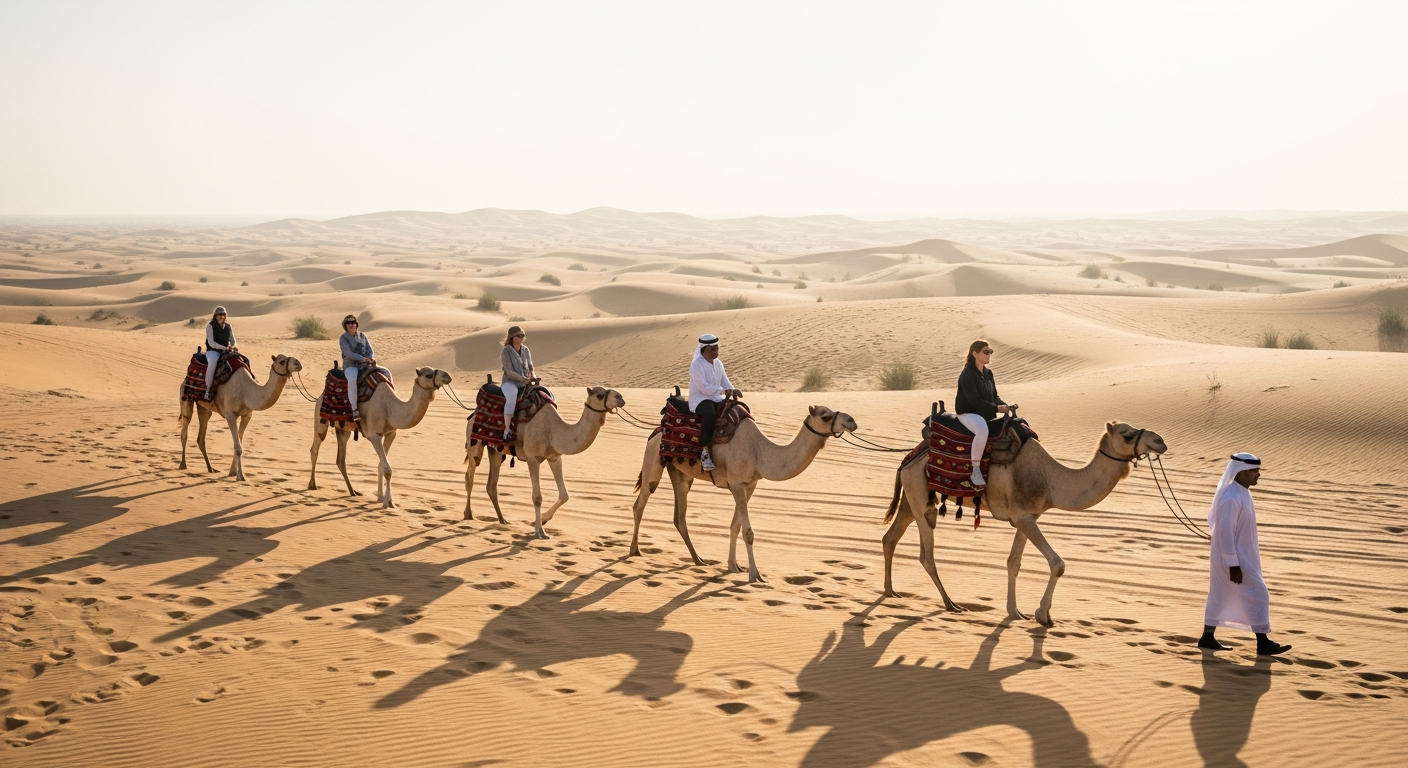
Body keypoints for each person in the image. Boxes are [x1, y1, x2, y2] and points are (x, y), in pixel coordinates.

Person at [1199, 453, 1292, 656]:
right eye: (1254, 471)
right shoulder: (1231, 498)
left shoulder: (1241, 492)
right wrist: (1233, 564)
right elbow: (1225, 532)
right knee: (1259, 594)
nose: (1258, 475)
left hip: (1240, 555)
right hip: (1233, 558)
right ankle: (1263, 642)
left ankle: (1207, 637)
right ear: (1242, 472)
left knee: (1220, 594)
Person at [955, 340, 1015, 487]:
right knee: (982, 430)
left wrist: (1005, 406)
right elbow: (974, 401)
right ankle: (975, 470)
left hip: (985, 413)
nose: (989, 355)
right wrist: (996, 409)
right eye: (986, 352)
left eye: (990, 352)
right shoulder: (967, 374)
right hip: (969, 413)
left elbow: (994, 397)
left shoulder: (988, 373)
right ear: (975, 354)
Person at [689, 333, 741, 471]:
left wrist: (733, 390)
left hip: (717, 398)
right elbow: (704, 388)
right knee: (710, 414)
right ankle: (705, 452)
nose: (716, 351)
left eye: (717, 348)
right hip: (700, 399)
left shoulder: (718, 364)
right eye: (713, 349)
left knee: (736, 410)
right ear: (704, 349)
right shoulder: (696, 366)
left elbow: (725, 381)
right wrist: (723, 391)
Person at [339, 315, 392, 420]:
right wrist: (363, 359)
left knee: (386, 372)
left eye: (353, 322)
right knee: (352, 379)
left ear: (356, 324)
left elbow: (370, 350)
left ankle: (391, 399)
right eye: (348, 323)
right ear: (346, 326)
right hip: (351, 366)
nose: (351, 325)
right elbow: (348, 353)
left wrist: (371, 359)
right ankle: (354, 409)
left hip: (365, 365)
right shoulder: (343, 338)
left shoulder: (362, 336)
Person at [500, 325, 538, 441]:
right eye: (519, 336)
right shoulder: (506, 351)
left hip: (525, 383)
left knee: (541, 395)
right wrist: (523, 379)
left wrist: (533, 378)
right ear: (512, 337)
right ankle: (507, 430)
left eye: (523, 336)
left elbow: (531, 368)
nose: (522, 338)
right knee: (511, 398)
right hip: (510, 383)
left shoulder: (526, 350)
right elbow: (509, 372)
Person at [203, 306, 237, 401]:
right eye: (219, 314)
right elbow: (211, 343)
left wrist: (233, 347)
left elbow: (233, 341)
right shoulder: (210, 326)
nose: (221, 316)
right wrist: (224, 348)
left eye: (223, 314)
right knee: (213, 363)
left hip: (226, 351)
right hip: (213, 351)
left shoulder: (228, 327)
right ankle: (208, 390)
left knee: (242, 360)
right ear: (215, 316)